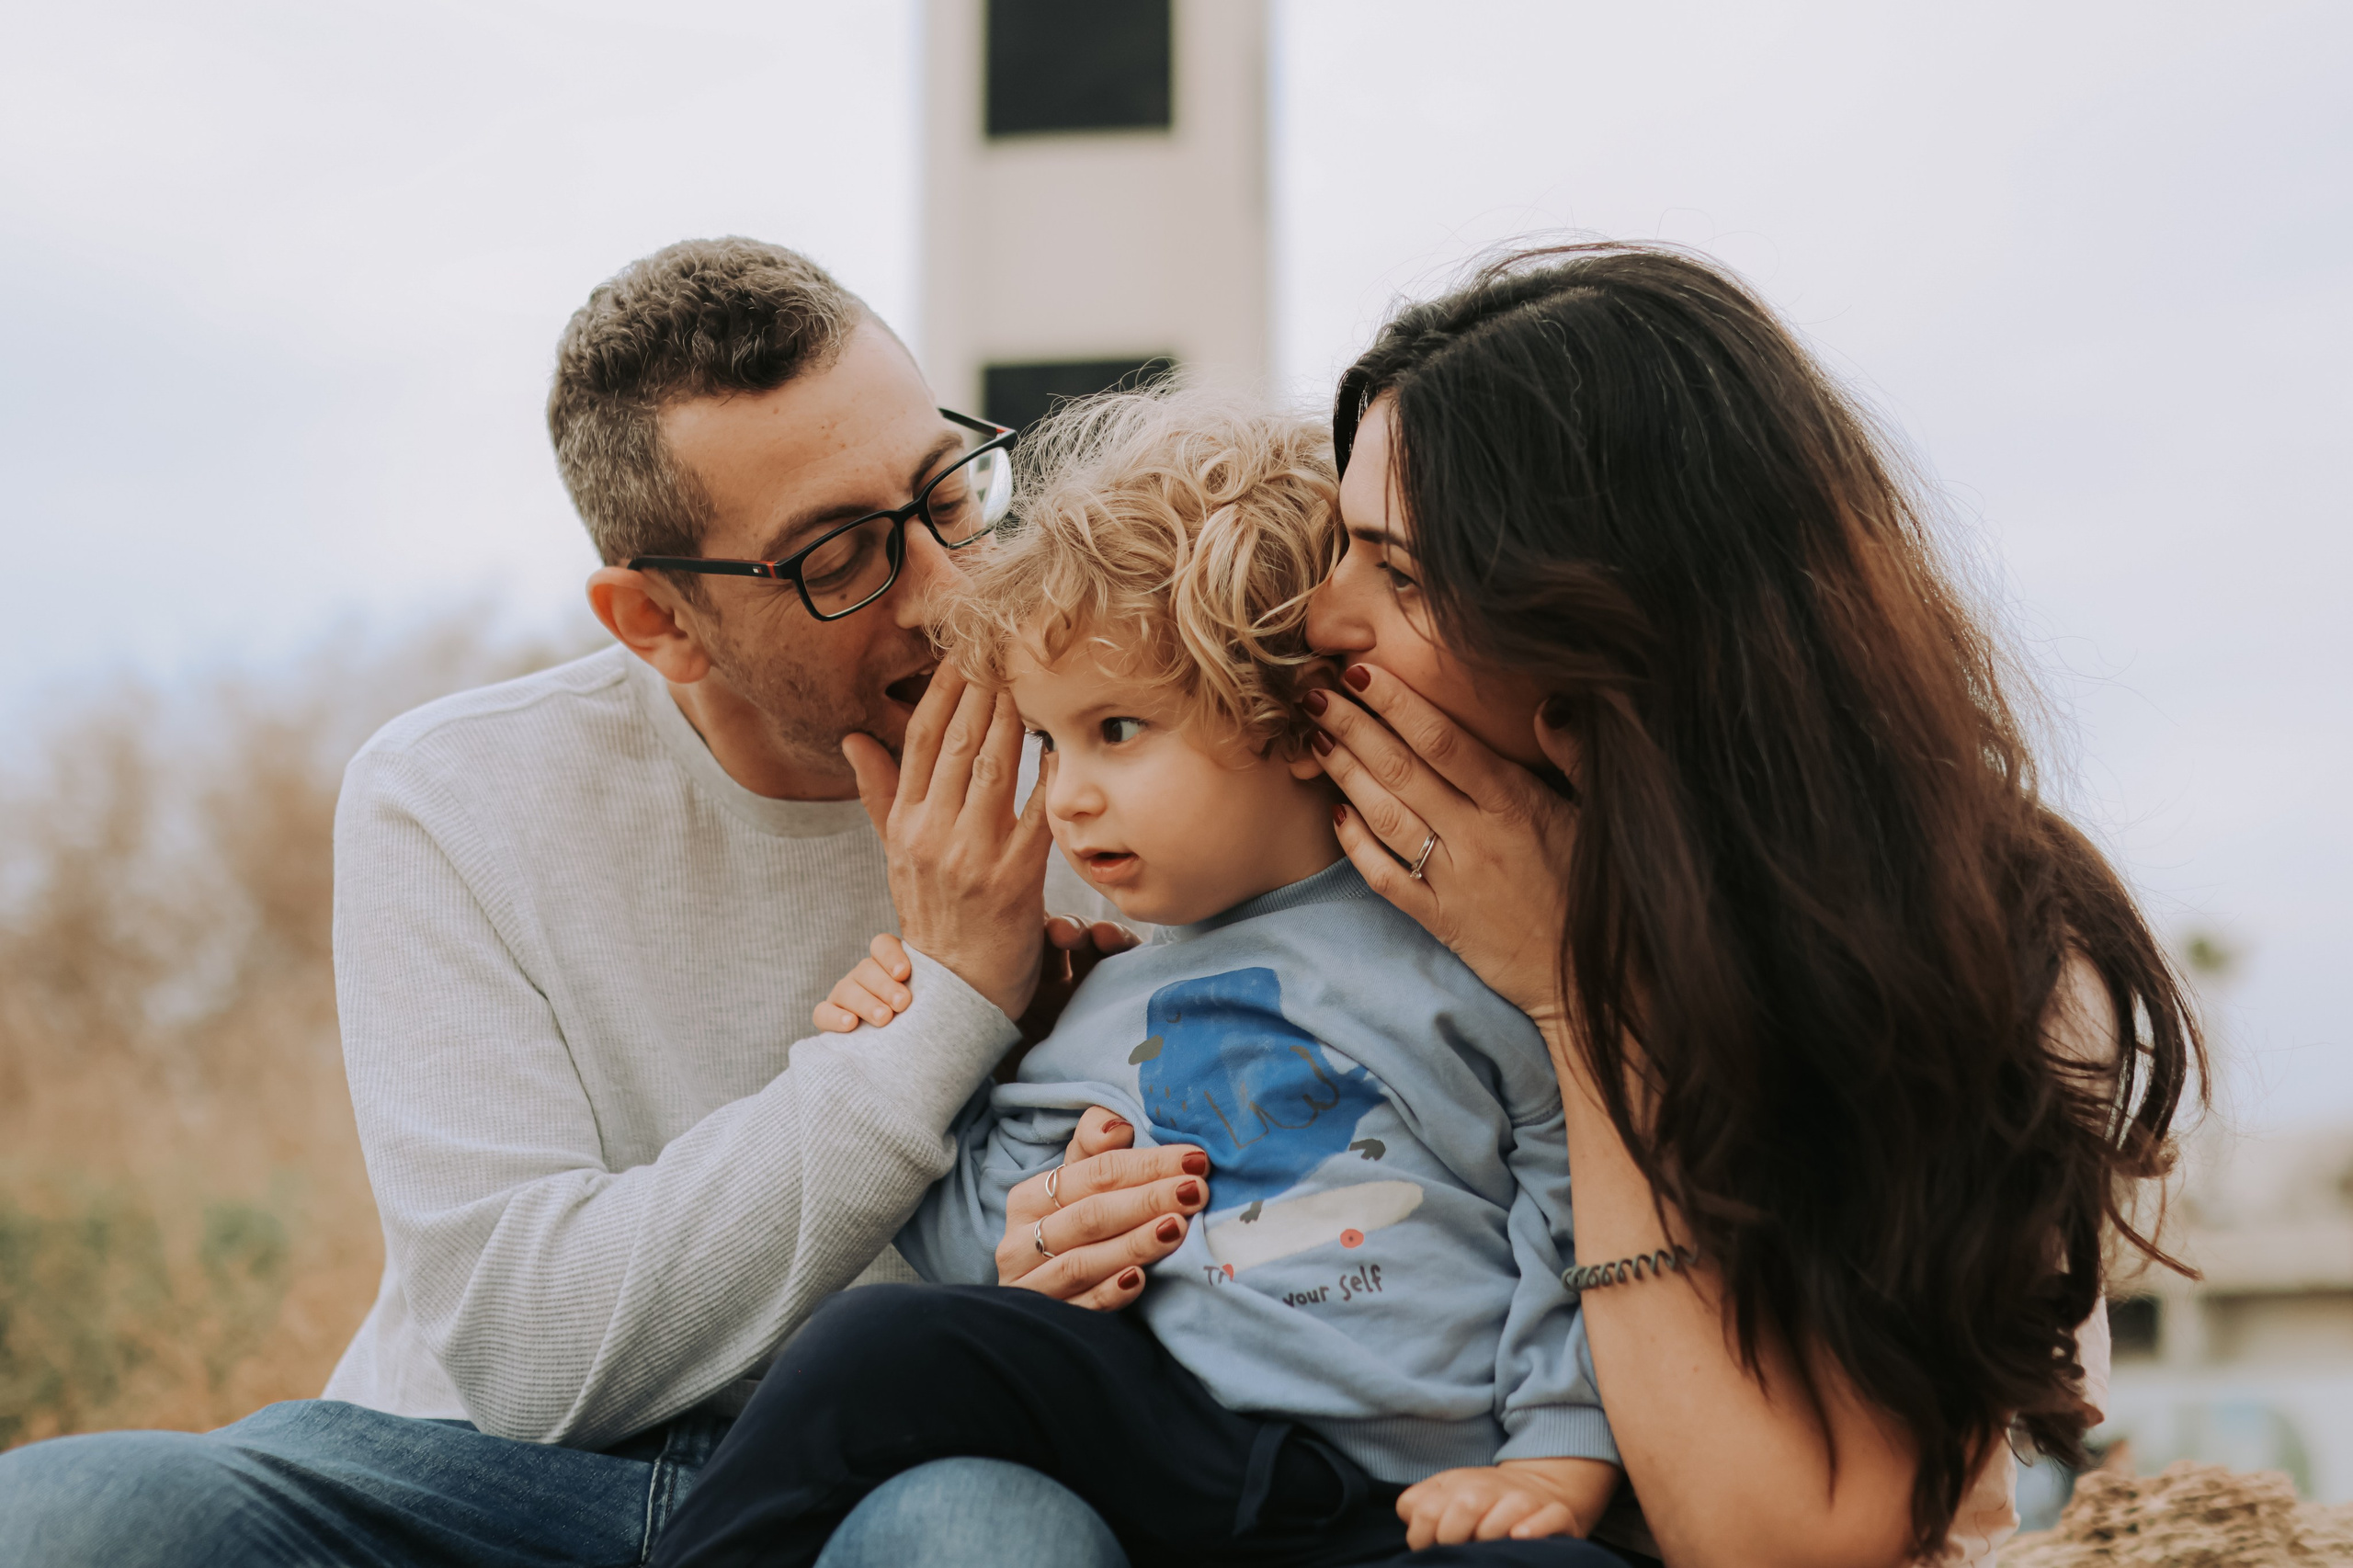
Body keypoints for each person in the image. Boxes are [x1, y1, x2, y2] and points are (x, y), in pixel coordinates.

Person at [0, 238, 1187, 1568]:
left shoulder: (1127, 769)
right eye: (839, 554)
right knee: (62, 1523)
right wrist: (949, 1007)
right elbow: (527, 1347)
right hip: (477, 1478)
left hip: (891, 1477)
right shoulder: (451, 794)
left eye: (946, 493)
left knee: (987, 1543)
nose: (945, 589)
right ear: (657, 621)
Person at [1292, 243, 2195, 1566]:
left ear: (1609, 636)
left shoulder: (1978, 945)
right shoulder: (1367, 867)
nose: (1322, 616)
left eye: (1405, 574)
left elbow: (1776, 1538)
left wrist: (1571, 991)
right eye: (1342, 545)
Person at [651, 390, 1632, 1568]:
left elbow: (1579, 1193)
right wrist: (933, 1045)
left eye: (1117, 729)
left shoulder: (1468, 937)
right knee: (878, 1342)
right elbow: (986, 1259)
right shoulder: (1097, 996)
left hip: (1412, 1500)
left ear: (1286, 715)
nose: (1064, 794)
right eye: (1050, 740)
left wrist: (1556, 1446)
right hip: (1165, 1453)